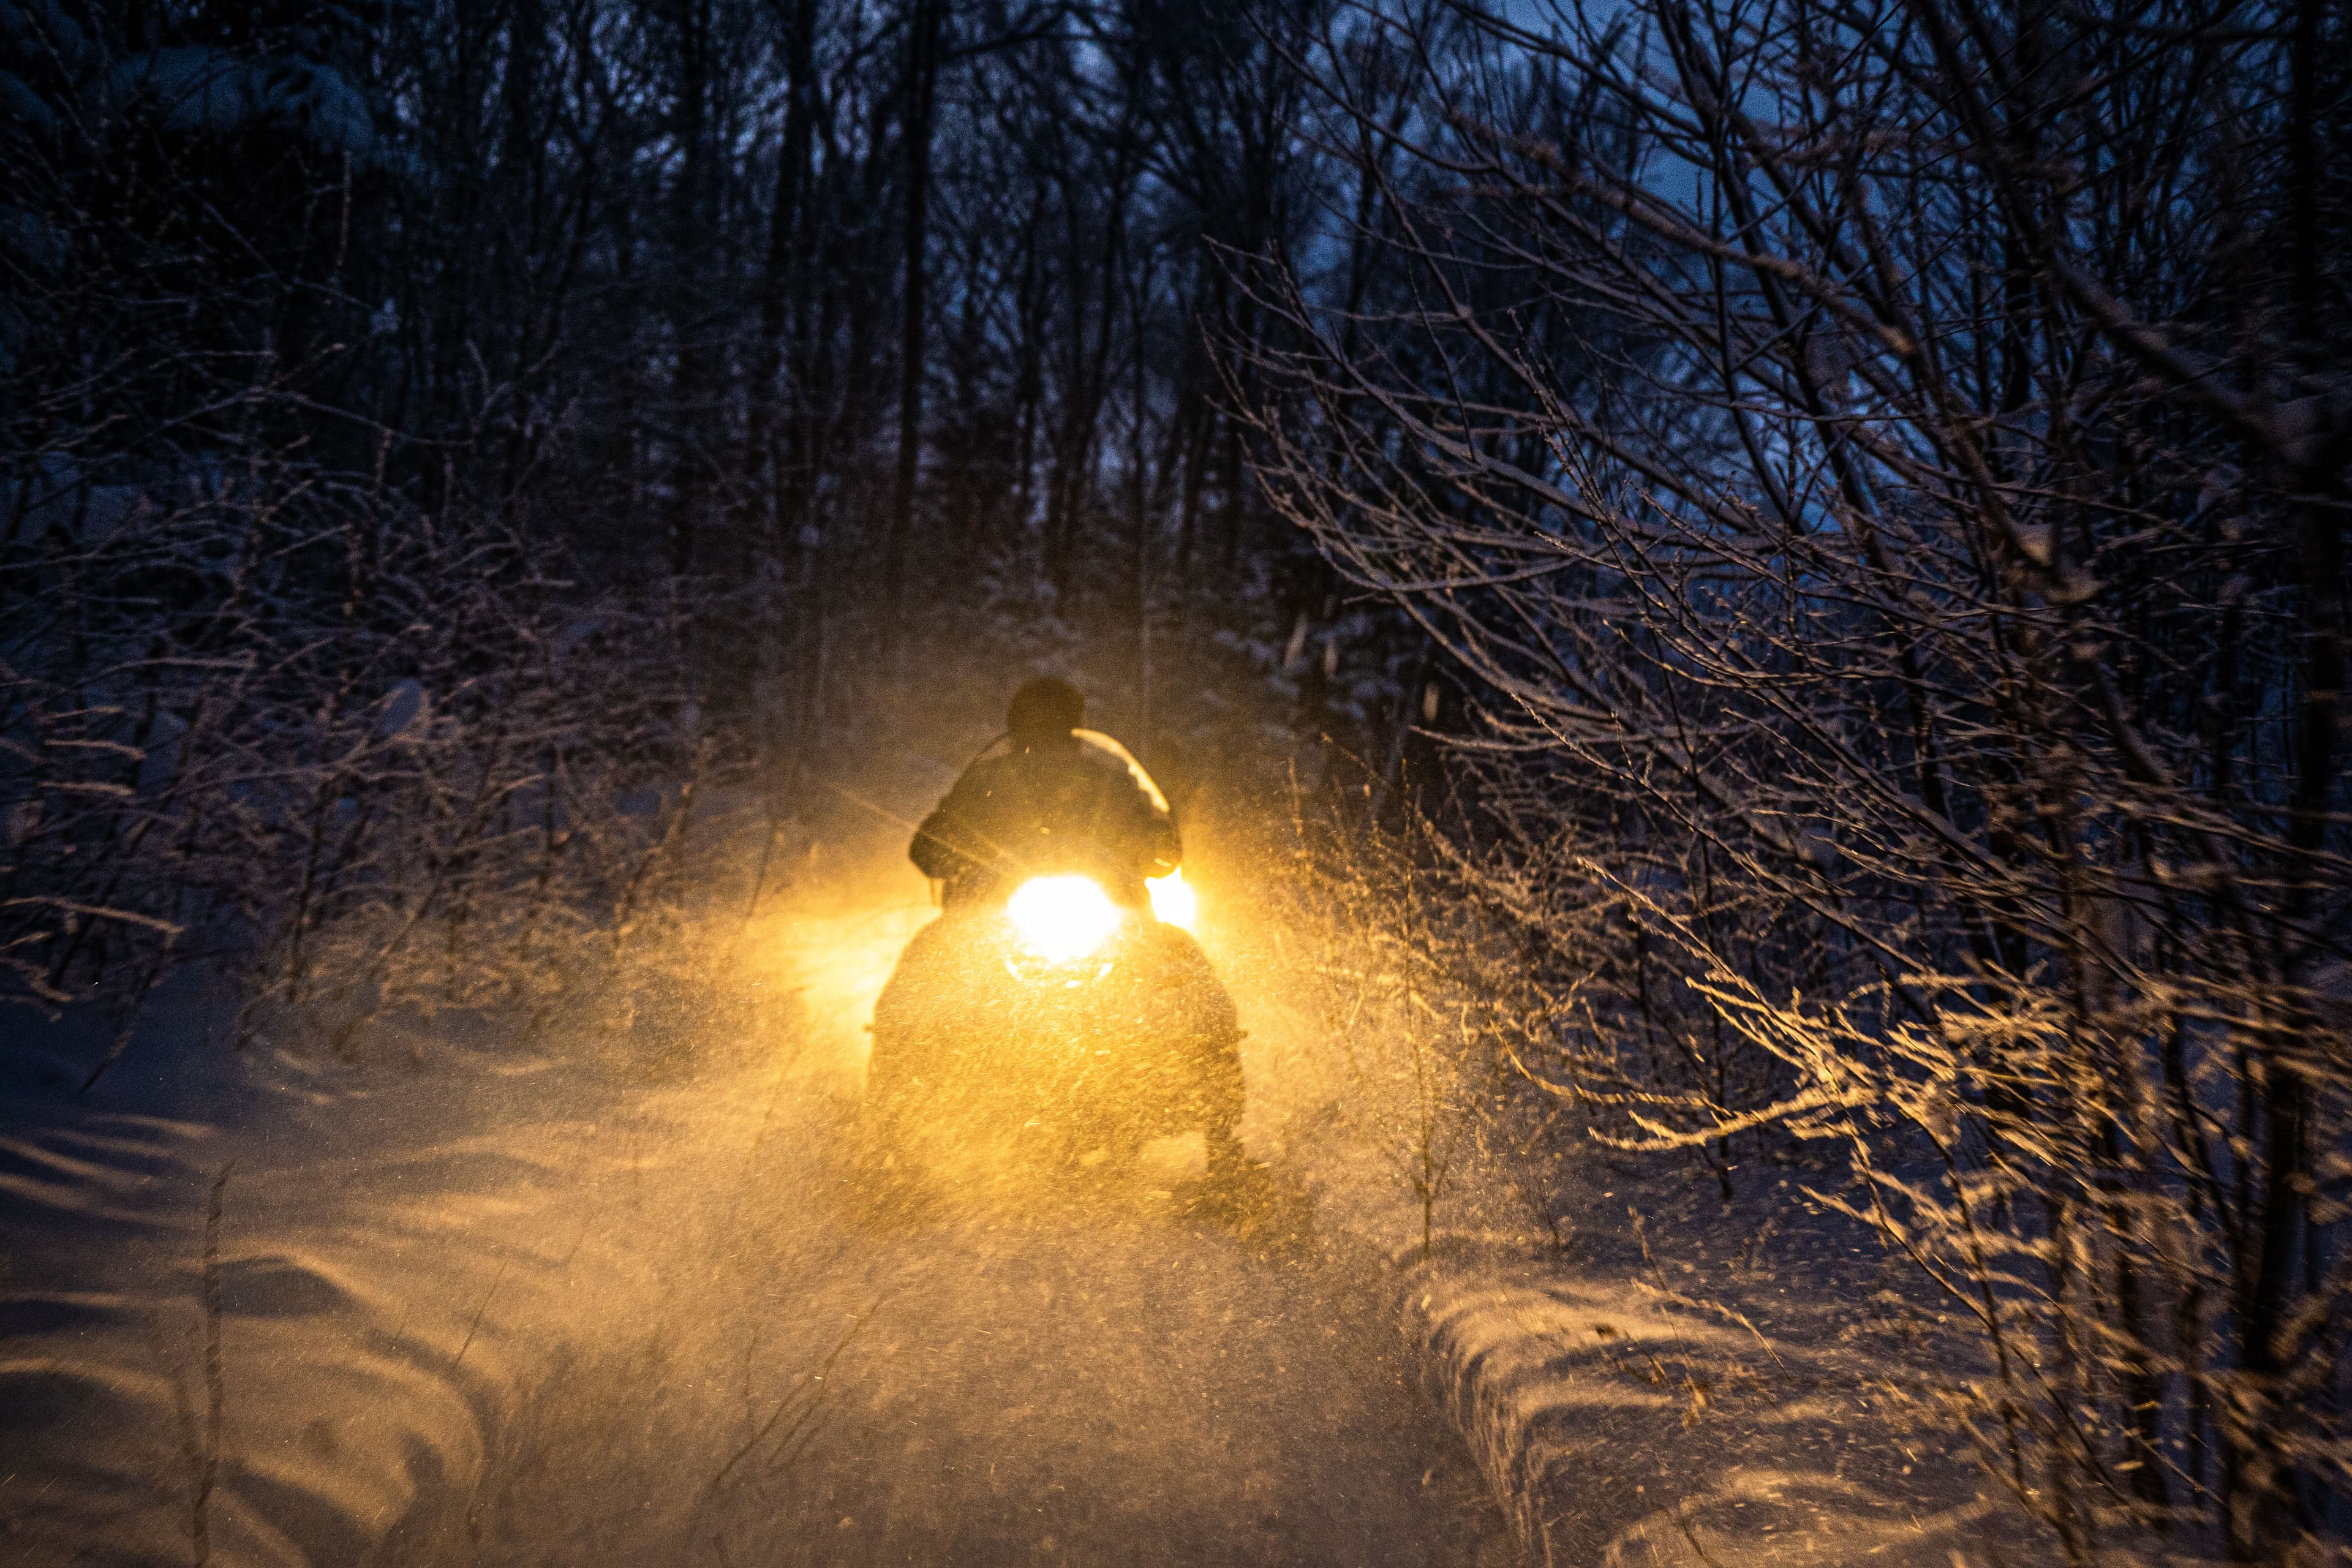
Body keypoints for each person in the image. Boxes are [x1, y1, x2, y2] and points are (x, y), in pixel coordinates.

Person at [910, 677, 1180, 910]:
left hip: (1105, 915)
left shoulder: (1109, 786)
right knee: (929, 948)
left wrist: (1154, 845)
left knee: (1175, 948)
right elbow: (930, 847)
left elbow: (1157, 849)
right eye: (1038, 728)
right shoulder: (983, 785)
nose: (1045, 739)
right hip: (992, 919)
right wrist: (949, 851)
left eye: (1054, 728)